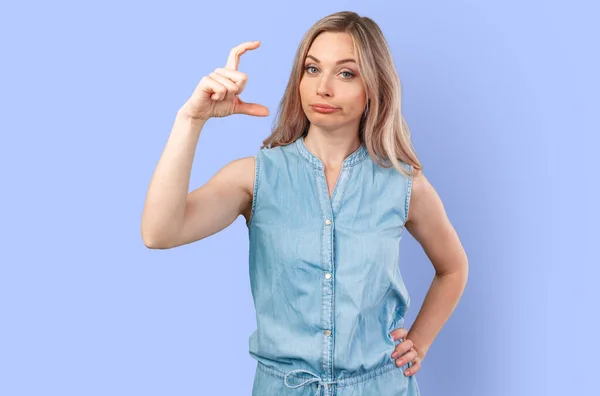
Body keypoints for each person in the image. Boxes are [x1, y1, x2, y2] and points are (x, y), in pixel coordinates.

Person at [141, 10, 468, 396]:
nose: (323, 88)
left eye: (346, 73)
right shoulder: (254, 177)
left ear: (374, 87)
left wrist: (422, 340)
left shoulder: (403, 184)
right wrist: (191, 118)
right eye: (312, 69)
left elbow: (453, 268)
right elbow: (159, 233)